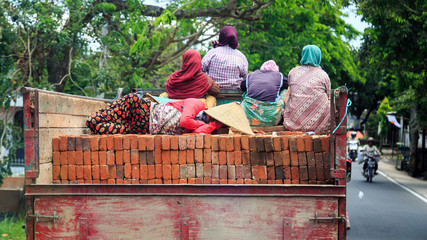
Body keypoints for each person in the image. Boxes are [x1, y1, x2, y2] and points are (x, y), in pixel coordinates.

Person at [86, 94, 222, 135]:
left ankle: (95, 123)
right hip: (143, 110)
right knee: (92, 121)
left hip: (143, 128)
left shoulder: (203, 128)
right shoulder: (197, 103)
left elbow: (196, 135)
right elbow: (184, 121)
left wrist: (214, 125)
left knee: (100, 129)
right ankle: (94, 118)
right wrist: (200, 123)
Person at [283, 45, 331, 132]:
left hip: (295, 120)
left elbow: (289, 91)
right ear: (318, 56)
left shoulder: (293, 72)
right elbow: (328, 95)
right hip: (318, 122)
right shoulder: (323, 75)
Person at [240, 60, 288, 126]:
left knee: (247, 90)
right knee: (284, 91)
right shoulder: (279, 75)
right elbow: (287, 85)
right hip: (272, 118)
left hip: (248, 116)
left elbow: (242, 86)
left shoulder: (251, 75)